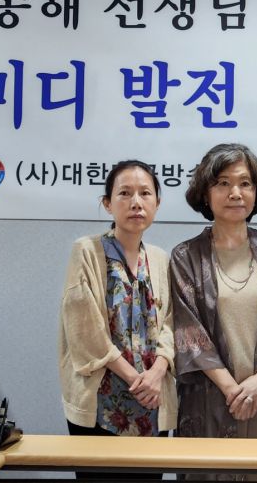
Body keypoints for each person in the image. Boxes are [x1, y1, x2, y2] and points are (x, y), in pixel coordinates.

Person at [170, 143, 257, 445]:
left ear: (256, 192)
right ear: (205, 193)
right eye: (223, 183)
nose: (235, 193)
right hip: (209, 398)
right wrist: (233, 391)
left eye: (245, 183)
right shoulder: (186, 256)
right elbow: (189, 333)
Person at [58, 160, 176, 480]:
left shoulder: (161, 259)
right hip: (101, 402)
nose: (136, 202)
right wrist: (137, 380)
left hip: (152, 400)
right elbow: (84, 329)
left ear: (157, 203)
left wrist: (157, 372)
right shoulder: (86, 251)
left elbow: (171, 322)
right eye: (125, 193)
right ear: (108, 203)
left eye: (145, 193)